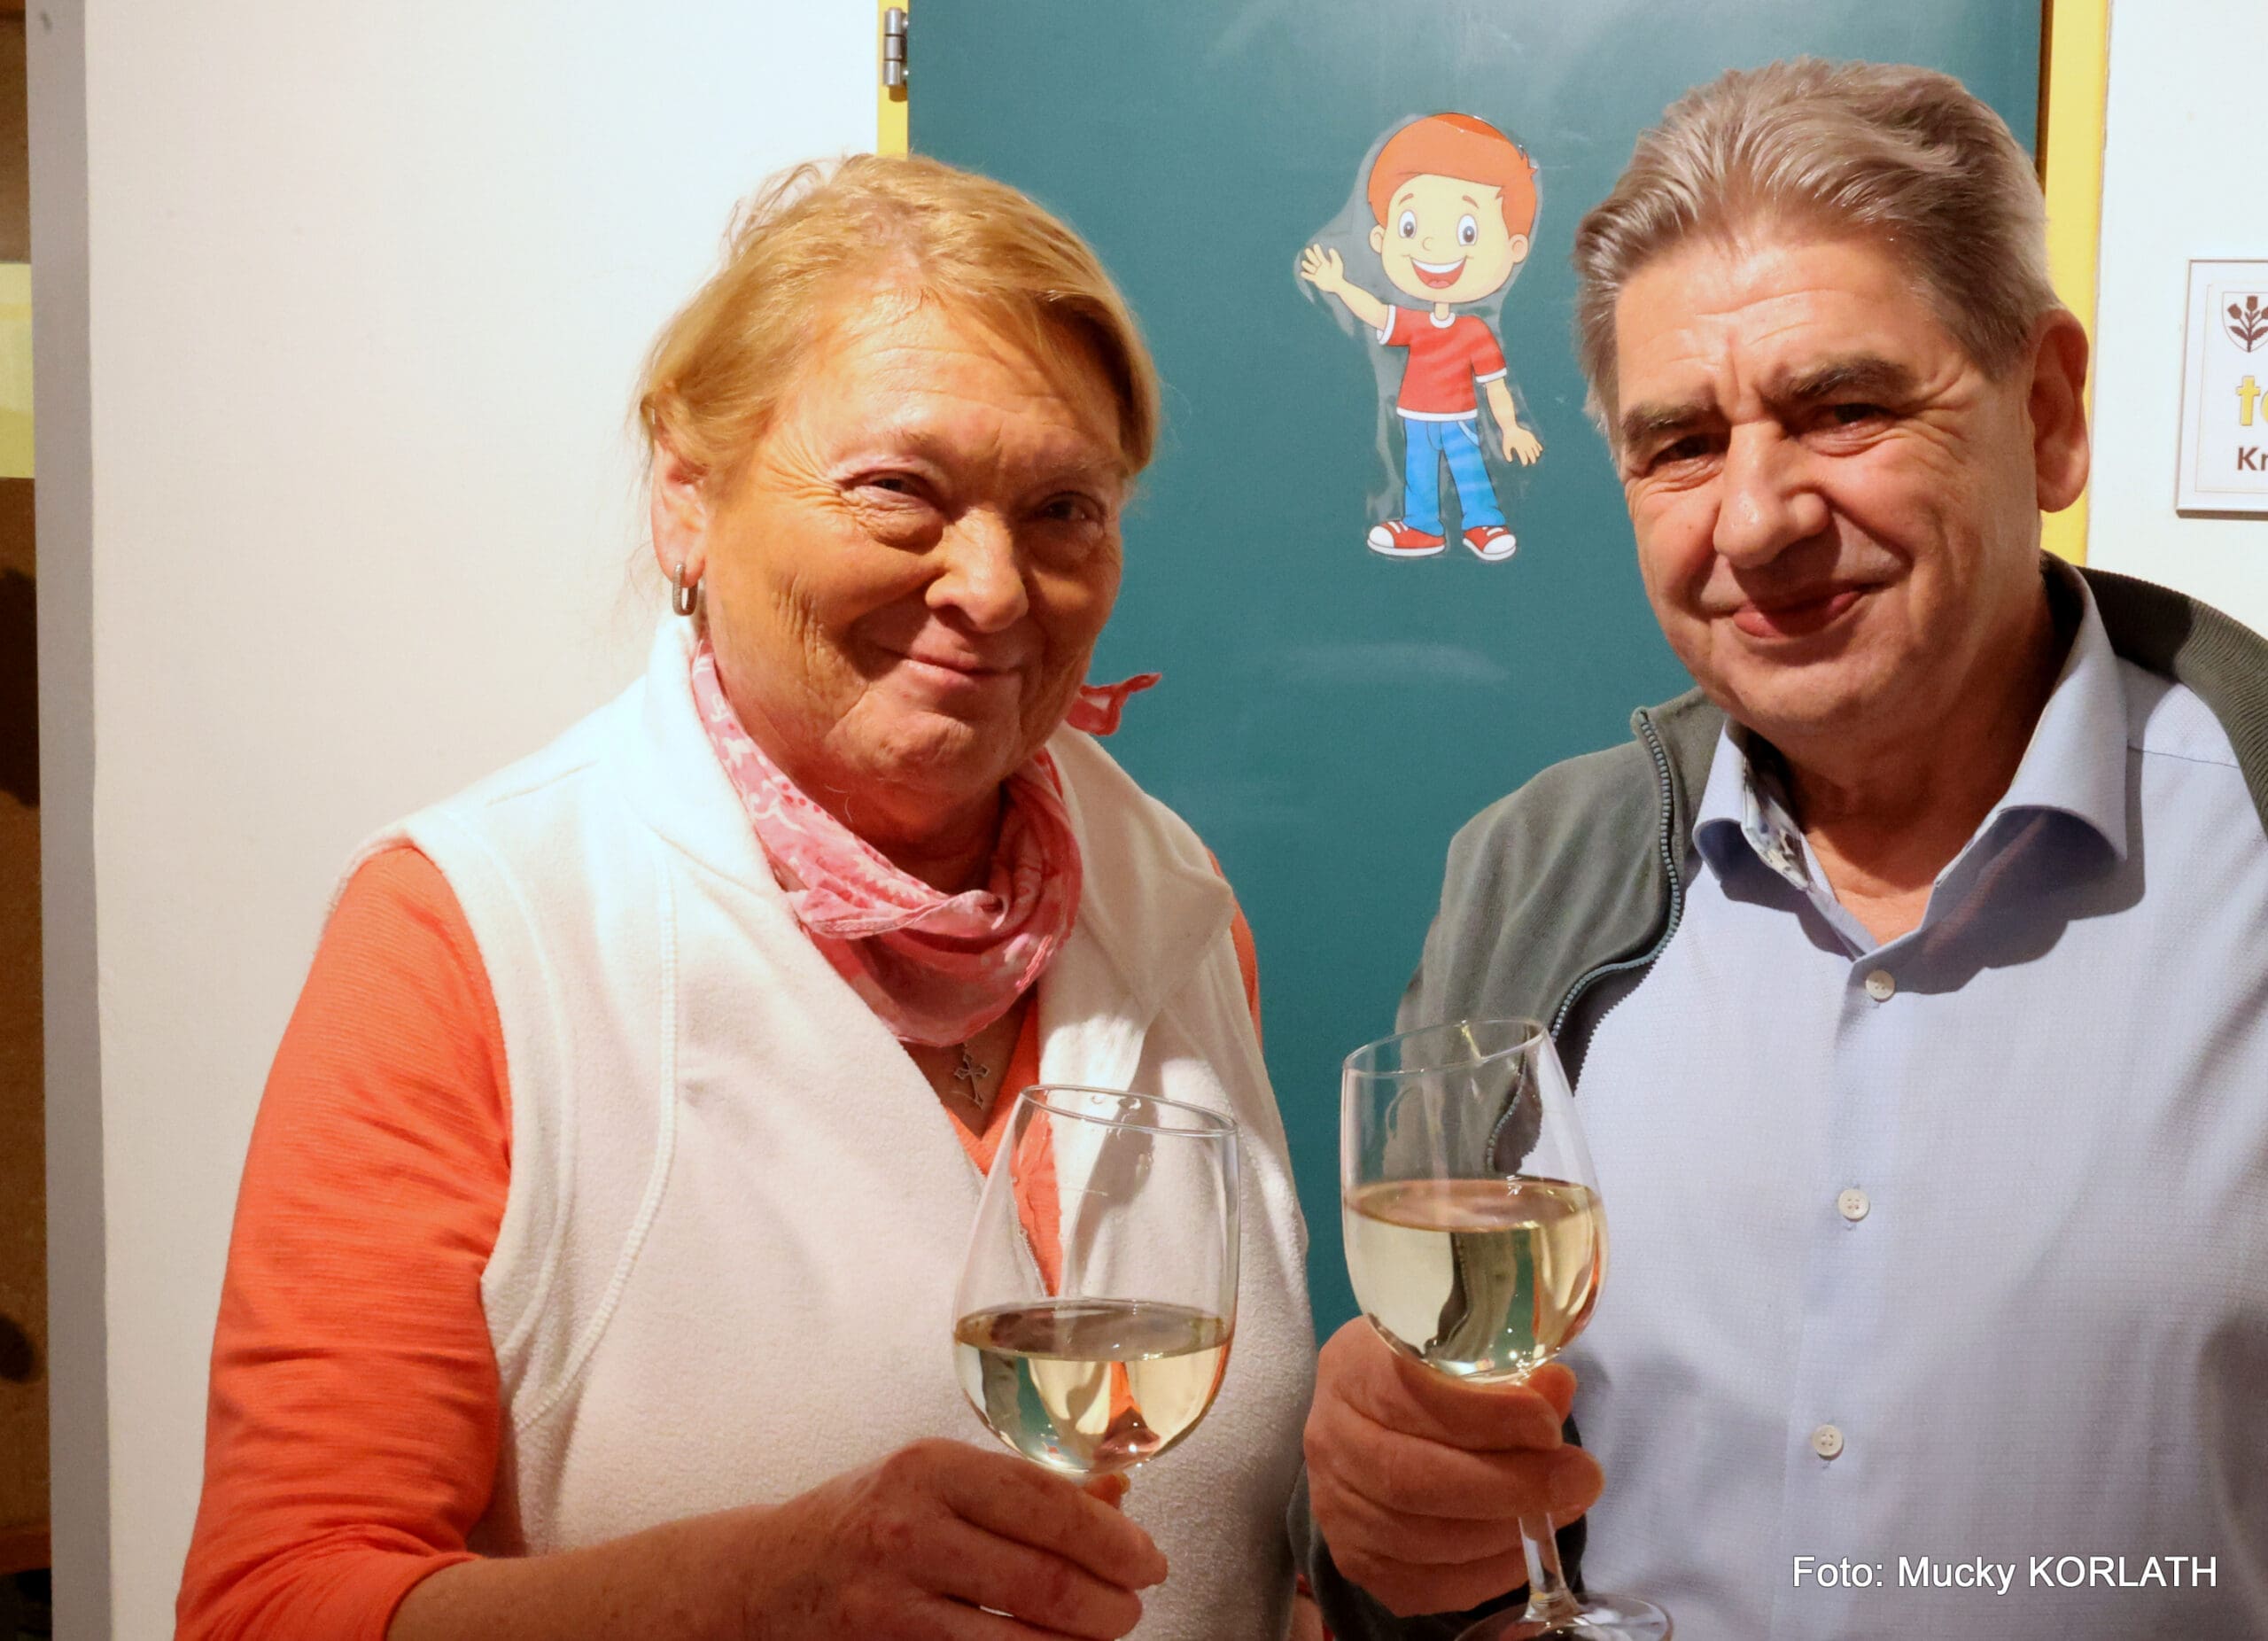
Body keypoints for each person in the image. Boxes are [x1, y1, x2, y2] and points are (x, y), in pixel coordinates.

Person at [176, 154, 1318, 1641]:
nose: (991, 585)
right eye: (899, 490)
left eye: (1063, 508)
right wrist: (747, 1595)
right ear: (686, 497)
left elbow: (1230, 1547)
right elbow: (270, 1604)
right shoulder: (472, 934)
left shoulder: (1174, 902)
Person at [1298, 58, 2268, 1640]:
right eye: (1681, 443)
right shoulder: (1532, 875)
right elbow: (1407, 1524)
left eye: (1845, 409)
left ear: (2048, 413)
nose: (1756, 520)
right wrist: (1370, 1512)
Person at [1299, 113, 1545, 561]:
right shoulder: (1414, 323)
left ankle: (1483, 524)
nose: (1432, 246)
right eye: (1410, 226)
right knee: (1418, 473)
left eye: (1467, 231)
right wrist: (1338, 285)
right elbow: (1377, 314)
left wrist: (1510, 428)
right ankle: (1422, 527)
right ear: (1380, 237)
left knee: (1469, 469)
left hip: (1460, 418)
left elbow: (1495, 385)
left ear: (1514, 249)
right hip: (1416, 416)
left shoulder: (1474, 331)